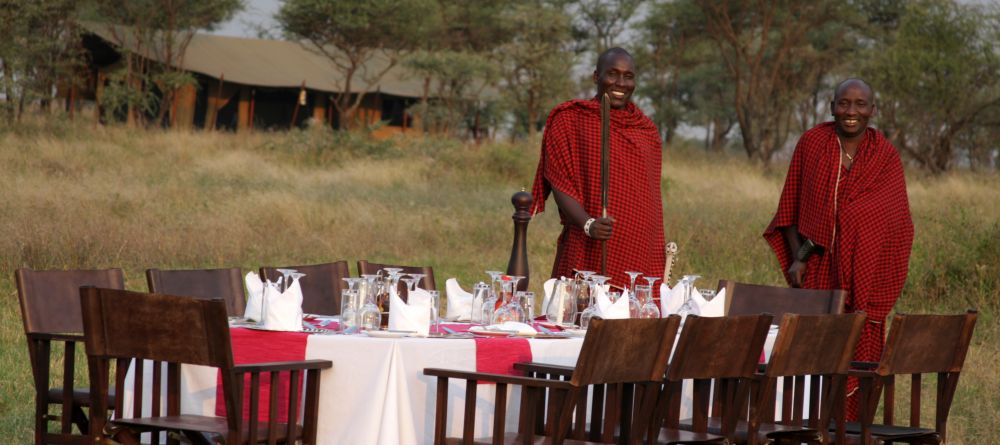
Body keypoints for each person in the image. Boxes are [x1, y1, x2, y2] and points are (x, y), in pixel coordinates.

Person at [763, 78, 914, 419]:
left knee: (857, 361)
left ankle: (848, 433)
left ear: (872, 111)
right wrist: (798, 258)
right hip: (818, 273)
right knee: (809, 358)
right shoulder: (813, 144)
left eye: (860, 105)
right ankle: (806, 430)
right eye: (844, 103)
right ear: (831, 107)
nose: (851, 112)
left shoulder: (885, 156)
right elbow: (789, 209)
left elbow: (898, 226)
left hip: (865, 280)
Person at [530, 47, 665, 294]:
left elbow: (651, 201)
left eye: (628, 76)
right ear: (596, 76)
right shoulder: (570, 119)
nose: (620, 83)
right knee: (578, 318)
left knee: (633, 323)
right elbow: (559, 180)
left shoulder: (646, 130)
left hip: (638, 246)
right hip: (588, 241)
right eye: (612, 74)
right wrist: (588, 223)